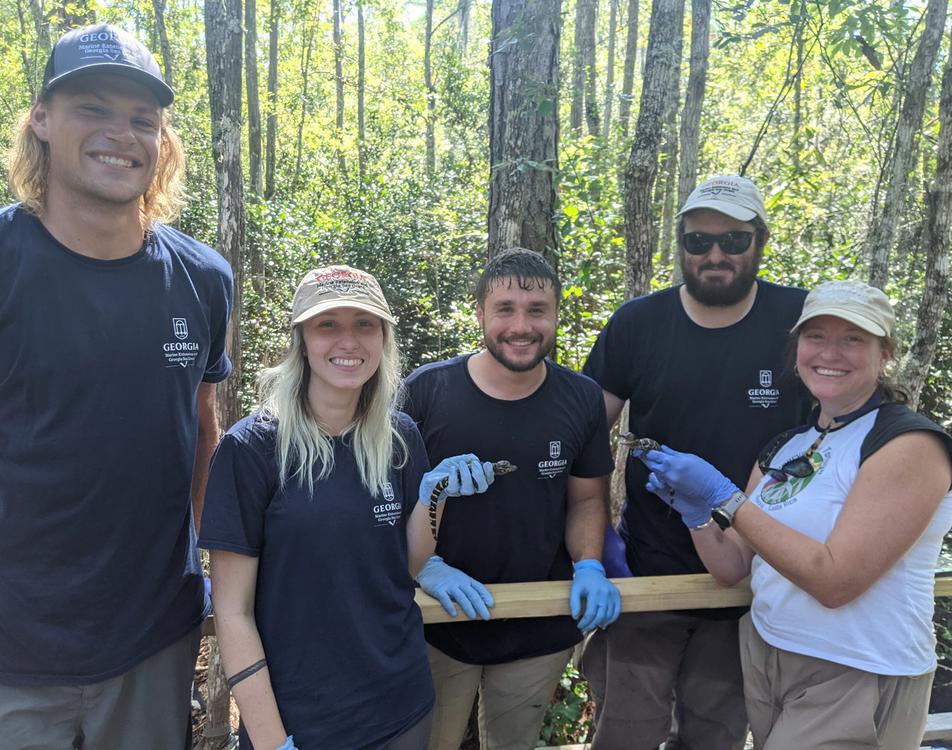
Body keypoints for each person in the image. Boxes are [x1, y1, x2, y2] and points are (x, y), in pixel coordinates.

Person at [0, 23, 232, 748]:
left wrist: (216, 568)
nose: (122, 134)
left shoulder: (202, 280)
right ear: (41, 120)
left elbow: (202, 429)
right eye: (94, 108)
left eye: (143, 119)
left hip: (151, 641)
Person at [642, 279, 952, 749]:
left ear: (884, 352)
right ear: (797, 347)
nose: (831, 352)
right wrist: (697, 514)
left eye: (853, 338)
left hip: (857, 668)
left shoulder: (908, 443)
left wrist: (723, 496)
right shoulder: (788, 445)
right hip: (770, 654)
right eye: (816, 336)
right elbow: (732, 567)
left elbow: (835, 582)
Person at [199, 265, 495, 750]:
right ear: (301, 340)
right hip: (299, 717)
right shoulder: (250, 448)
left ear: (383, 338)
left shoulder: (400, 436)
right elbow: (233, 613)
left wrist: (434, 494)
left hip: (400, 706)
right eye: (328, 324)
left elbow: (409, 564)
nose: (349, 340)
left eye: (364, 324)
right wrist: (274, 743)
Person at [579, 175, 809, 749]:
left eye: (733, 241)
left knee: (716, 734)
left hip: (751, 582)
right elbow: (581, 436)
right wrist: (592, 546)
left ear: (759, 241)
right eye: (697, 240)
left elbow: (837, 433)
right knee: (625, 732)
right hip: (647, 574)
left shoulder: (800, 321)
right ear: (678, 244)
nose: (714, 255)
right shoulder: (638, 323)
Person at [402, 248, 620, 750]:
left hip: (537, 626)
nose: (521, 325)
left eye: (536, 310)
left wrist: (590, 565)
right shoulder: (426, 392)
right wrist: (425, 567)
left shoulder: (581, 397)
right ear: (479, 313)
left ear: (556, 314)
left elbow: (586, 498)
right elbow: (389, 503)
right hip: (436, 620)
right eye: (505, 309)